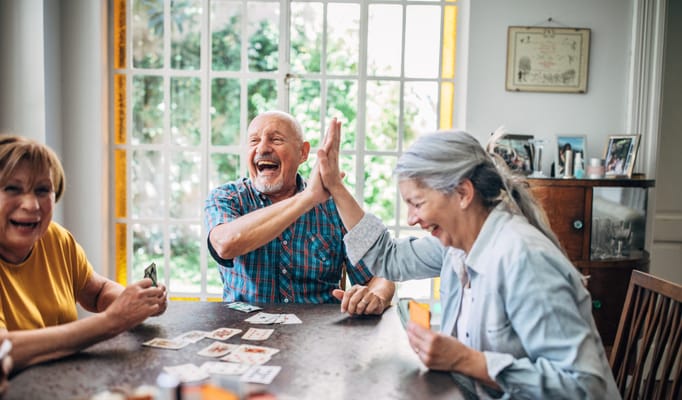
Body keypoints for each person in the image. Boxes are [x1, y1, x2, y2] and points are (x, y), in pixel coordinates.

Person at [314, 125, 620, 398]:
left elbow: (583, 387)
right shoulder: (457, 246)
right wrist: (336, 189)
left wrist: (465, 360)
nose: (411, 219)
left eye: (417, 203)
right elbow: (388, 257)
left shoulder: (524, 259)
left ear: (462, 193)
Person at [0, 135, 168, 373]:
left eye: (42, 190)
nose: (32, 205)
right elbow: (4, 351)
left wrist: (136, 303)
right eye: (12, 189)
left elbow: (97, 293)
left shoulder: (55, 238)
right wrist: (112, 321)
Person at [203, 111, 394, 315]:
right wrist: (307, 198)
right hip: (244, 334)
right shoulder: (226, 197)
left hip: (318, 336)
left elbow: (380, 274)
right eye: (254, 141)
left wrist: (376, 296)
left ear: (303, 153)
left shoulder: (335, 206)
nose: (263, 148)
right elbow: (225, 244)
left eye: (276, 139)